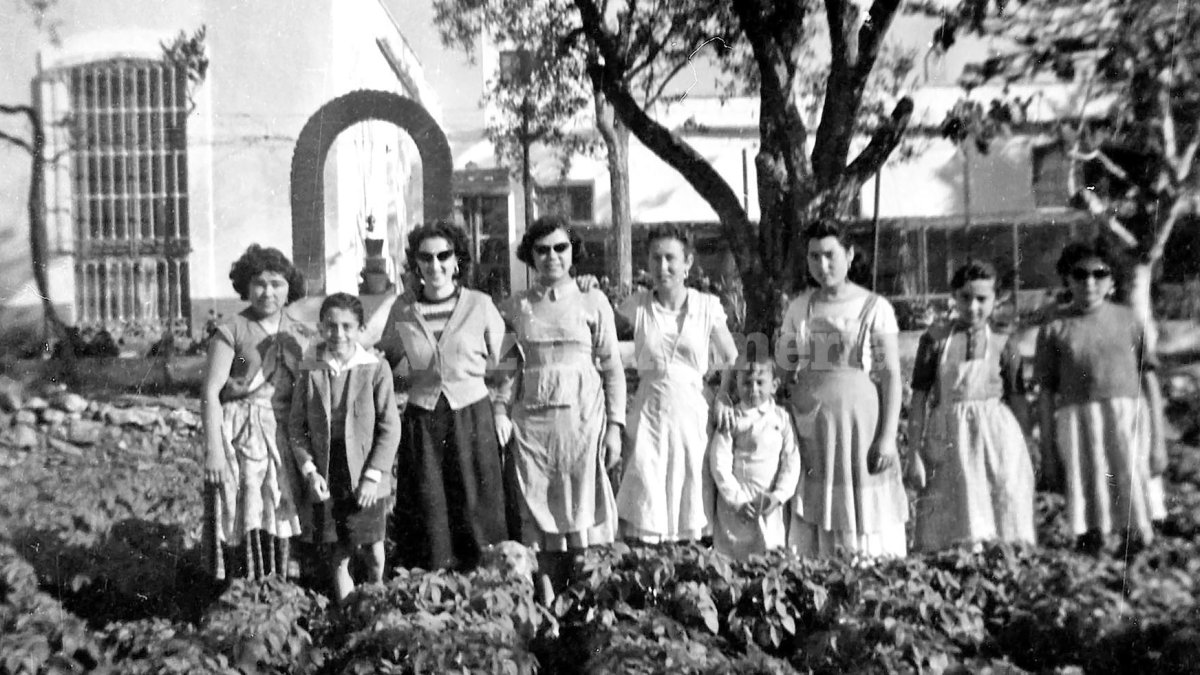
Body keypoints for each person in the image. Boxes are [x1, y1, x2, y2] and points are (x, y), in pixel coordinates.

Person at [497, 214, 626, 596]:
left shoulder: (593, 299)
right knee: (540, 520)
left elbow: (613, 367)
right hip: (533, 428)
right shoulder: (517, 306)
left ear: (573, 252)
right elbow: (507, 370)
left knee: (583, 519)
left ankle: (585, 607)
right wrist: (501, 410)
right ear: (530, 255)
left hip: (583, 424)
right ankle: (548, 608)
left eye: (560, 248)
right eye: (542, 250)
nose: (552, 256)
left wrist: (615, 427)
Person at [377, 221, 509, 571]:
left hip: (473, 417)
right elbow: (381, 362)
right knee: (429, 509)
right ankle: (432, 595)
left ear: (456, 261)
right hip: (424, 421)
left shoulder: (480, 305)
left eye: (443, 256)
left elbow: (509, 362)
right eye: (426, 257)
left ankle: (486, 590)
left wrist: (500, 409)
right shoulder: (402, 310)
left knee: (477, 506)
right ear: (416, 264)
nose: (435, 265)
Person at [778, 219, 907, 558]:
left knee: (858, 509)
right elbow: (783, 367)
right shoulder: (799, 308)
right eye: (814, 257)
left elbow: (891, 374)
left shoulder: (875, 308)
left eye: (830, 255)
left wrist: (888, 436)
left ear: (849, 255)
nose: (822, 265)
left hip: (859, 426)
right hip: (812, 428)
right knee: (817, 514)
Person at [1034, 239, 1164, 553]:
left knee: (1131, 489)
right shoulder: (1054, 328)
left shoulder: (1129, 319)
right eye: (1080, 274)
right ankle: (1093, 553)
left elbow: (1150, 382)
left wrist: (1159, 441)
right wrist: (1049, 454)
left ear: (1112, 280)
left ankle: (1137, 559)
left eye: (1099, 273)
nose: (1089, 282)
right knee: (1088, 494)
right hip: (1078, 424)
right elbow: (1046, 394)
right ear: (1067, 280)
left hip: (1126, 420)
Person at [616, 224, 739, 544]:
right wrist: (587, 288)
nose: (663, 267)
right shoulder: (636, 306)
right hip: (649, 413)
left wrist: (724, 397)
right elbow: (601, 337)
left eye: (671, 258)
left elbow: (731, 357)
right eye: (656, 259)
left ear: (688, 262)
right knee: (647, 492)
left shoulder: (706, 306)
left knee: (691, 496)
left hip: (692, 413)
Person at [907, 260, 1036, 552]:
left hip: (995, 439)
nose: (973, 307)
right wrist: (913, 451)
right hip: (949, 437)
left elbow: (1017, 397)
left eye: (982, 299)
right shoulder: (935, 340)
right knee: (949, 520)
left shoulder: (1004, 341)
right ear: (954, 296)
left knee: (1000, 511)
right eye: (965, 297)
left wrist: (1027, 447)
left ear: (995, 299)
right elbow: (918, 398)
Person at [201, 244, 312, 580]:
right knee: (243, 507)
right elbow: (209, 392)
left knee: (281, 504)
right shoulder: (231, 329)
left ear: (289, 287)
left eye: (277, 284)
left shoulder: (300, 331)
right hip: (241, 432)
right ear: (246, 286)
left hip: (284, 432)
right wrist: (214, 452)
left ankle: (283, 582)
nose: (268, 292)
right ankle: (243, 586)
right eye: (260, 283)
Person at [289, 293, 401, 601]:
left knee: (374, 551)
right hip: (328, 469)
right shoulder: (311, 368)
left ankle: (376, 603)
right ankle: (347, 613)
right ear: (321, 328)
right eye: (331, 326)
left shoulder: (374, 368)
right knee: (339, 553)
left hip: (365, 471)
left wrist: (373, 476)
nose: (338, 334)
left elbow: (390, 428)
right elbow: (296, 427)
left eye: (347, 327)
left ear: (361, 329)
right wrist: (310, 472)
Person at [708, 350, 800, 561]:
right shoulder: (733, 419)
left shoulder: (781, 418)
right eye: (747, 383)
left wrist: (779, 495)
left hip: (769, 504)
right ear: (737, 384)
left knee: (770, 557)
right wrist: (736, 500)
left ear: (774, 385)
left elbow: (791, 459)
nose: (753, 389)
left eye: (760, 382)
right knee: (734, 559)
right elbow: (719, 463)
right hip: (737, 506)